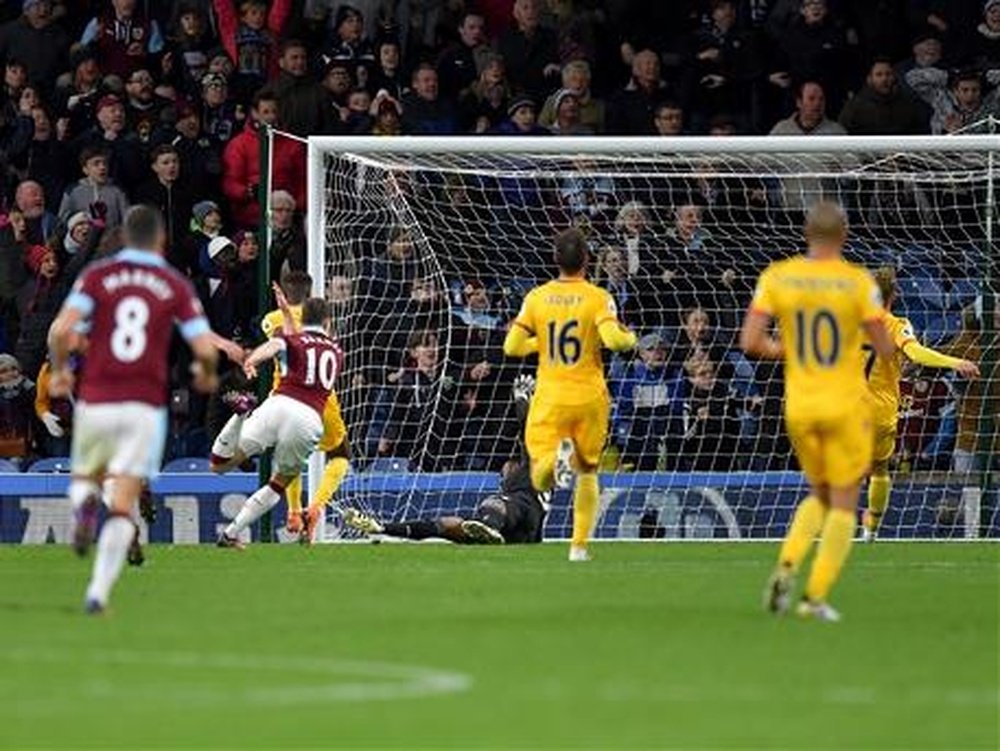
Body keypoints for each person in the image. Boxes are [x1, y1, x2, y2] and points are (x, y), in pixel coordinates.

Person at [47, 204, 219, 614]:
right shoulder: (174, 283)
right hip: (144, 406)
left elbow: (59, 330)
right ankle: (97, 594)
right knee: (124, 504)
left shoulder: (97, 276)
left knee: (87, 478)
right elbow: (202, 346)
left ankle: (86, 502)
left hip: (98, 399)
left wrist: (58, 372)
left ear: (124, 237)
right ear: (159, 240)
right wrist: (207, 375)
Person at [739, 200, 894, 622]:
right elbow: (884, 346)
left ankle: (787, 564)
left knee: (818, 493)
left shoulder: (778, 277)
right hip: (845, 403)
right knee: (844, 501)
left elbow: (751, 342)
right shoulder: (859, 283)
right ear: (844, 234)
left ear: (806, 232)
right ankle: (814, 597)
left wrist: (787, 349)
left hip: (801, 406)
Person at [503, 227, 637, 561]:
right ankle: (578, 548)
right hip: (589, 397)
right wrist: (631, 339)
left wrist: (543, 343)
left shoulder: (536, 297)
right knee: (589, 471)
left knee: (540, 474)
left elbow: (512, 346)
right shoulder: (598, 297)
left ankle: (554, 459)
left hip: (550, 396)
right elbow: (614, 341)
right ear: (588, 260)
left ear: (555, 259)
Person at [344, 375, 549, 544]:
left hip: (524, 511)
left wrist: (522, 400)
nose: (504, 469)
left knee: (493, 503)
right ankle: (383, 527)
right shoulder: (515, 485)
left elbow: (527, 433)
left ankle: (487, 529)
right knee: (448, 526)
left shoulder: (532, 473)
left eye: (509, 466)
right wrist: (383, 529)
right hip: (515, 530)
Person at [860, 266, 979, 541]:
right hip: (879, 411)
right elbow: (915, 353)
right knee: (879, 471)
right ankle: (871, 529)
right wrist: (955, 362)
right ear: (895, 294)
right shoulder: (896, 325)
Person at [211, 297, 341, 548]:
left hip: (278, 405)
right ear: (327, 321)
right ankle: (230, 533)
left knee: (220, 465)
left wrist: (251, 361)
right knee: (278, 483)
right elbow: (306, 346)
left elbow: (274, 346)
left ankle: (240, 414)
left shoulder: (290, 338)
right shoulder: (336, 350)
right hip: (309, 418)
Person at [259, 274, 350, 542]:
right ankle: (316, 507)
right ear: (310, 294)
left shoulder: (271, 320)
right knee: (340, 455)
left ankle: (294, 511)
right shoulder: (323, 323)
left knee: (292, 455)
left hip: (286, 396)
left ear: (283, 294)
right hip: (323, 399)